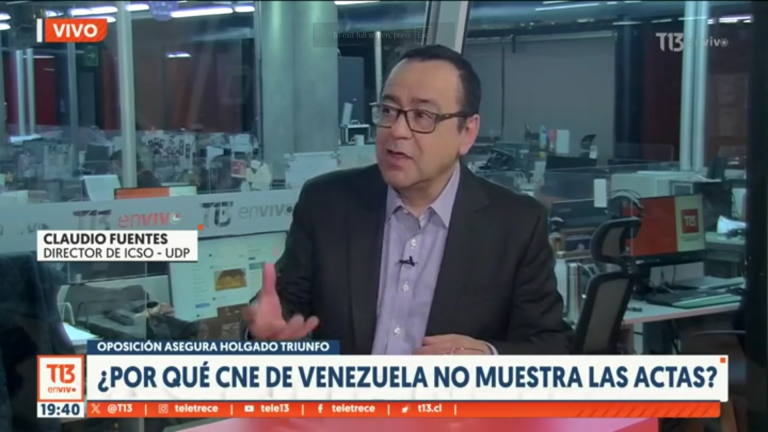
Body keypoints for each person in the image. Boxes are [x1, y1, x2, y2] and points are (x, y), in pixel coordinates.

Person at [243, 44, 570, 355]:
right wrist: (264, 334)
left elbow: (552, 347)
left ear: (467, 133)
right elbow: (284, 308)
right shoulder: (326, 204)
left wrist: (488, 357)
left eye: (422, 115)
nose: (397, 131)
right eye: (388, 111)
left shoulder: (516, 225)